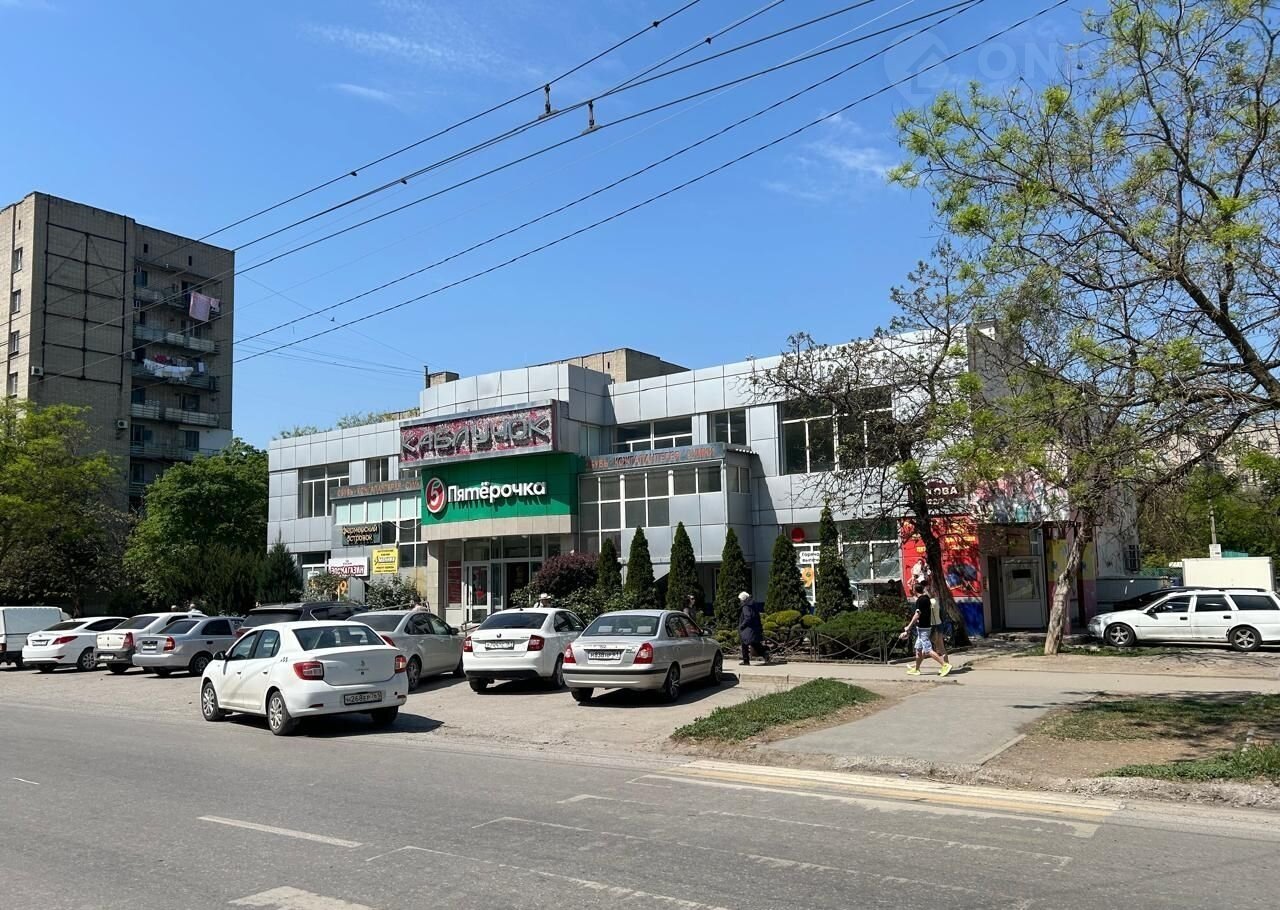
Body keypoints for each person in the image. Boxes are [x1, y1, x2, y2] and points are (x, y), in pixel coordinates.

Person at [901, 582, 951, 676]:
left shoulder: (920, 600)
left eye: (912, 589)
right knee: (918, 649)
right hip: (923, 628)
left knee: (928, 649)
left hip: (923, 628)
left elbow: (917, 614)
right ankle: (916, 669)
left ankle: (945, 665)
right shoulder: (927, 598)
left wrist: (909, 626)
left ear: (915, 590)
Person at [737, 591, 769, 666]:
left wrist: (742, 625)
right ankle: (765, 654)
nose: (740, 601)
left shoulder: (745, 606)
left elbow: (748, 617)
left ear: (743, 599)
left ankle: (746, 661)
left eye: (740, 599)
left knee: (745, 643)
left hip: (748, 629)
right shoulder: (752, 604)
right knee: (754, 643)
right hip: (754, 628)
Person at [929, 585, 950, 664]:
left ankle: (945, 664)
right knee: (941, 646)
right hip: (939, 623)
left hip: (933, 625)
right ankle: (947, 663)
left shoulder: (931, 602)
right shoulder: (937, 601)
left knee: (925, 646)